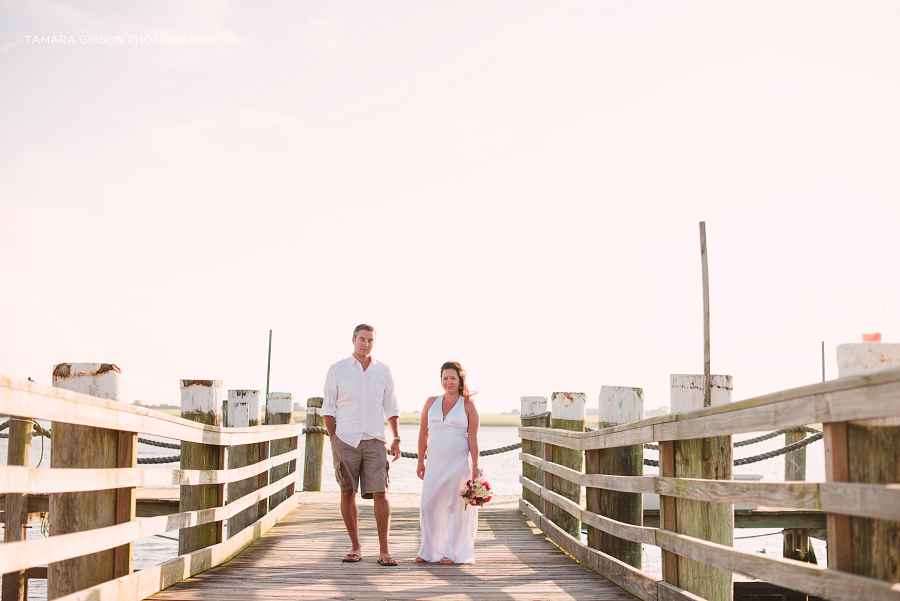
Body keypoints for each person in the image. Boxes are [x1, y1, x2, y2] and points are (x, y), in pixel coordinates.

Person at [323, 324, 401, 566]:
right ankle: (356, 547)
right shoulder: (337, 370)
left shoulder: (383, 370)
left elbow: (391, 407)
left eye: (370, 340)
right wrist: (334, 439)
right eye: (362, 339)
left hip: (376, 440)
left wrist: (396, 437)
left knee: (381, 492)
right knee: (347, 492)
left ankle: (384, 550)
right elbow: (328, 408)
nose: (366, 344)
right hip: (345, 440)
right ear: (353, 340)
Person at [415, 361, 481, 564]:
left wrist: (476, 467)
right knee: (428, 505)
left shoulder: (468, 406)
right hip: (434, 463)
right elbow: (423, 433)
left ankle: (450, 552)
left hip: (458, 464)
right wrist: (420, 461)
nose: (449, 382)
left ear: (460, 380)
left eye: (453, 378)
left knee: (454, 506)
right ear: (440, 380)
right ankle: (427, 551)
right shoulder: (430, 402)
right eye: (445, 378)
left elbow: (472, 439)